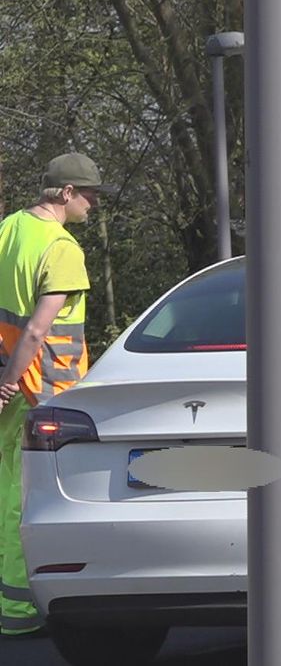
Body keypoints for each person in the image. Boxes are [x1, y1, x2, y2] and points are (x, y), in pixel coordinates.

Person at [0, 152, 112, 638]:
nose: (93, 203)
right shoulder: (62, 248)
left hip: (9, 382)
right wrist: (10, 381)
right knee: (34, 497)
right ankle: (23, 610)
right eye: (88, 194)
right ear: (65, 193)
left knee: (7, 487)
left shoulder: (8, 229)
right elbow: (38, 330)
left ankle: (12, 605)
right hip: (42, 391)